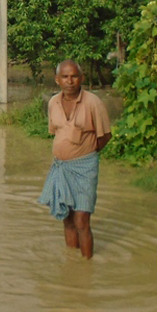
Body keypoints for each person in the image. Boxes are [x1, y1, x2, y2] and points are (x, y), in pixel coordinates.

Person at [39, 60, 111, 259]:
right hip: (61, 167)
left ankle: (87, 266)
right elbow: (56, 132)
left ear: (82, 78)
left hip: (85, 167)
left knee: (82, 221)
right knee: (67, 219)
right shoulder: (53, 102)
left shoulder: (92, 102)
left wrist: (86, 154)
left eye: (74, 76)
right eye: (65, 77)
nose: (70, 81)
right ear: (57, 80)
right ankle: (73, 265)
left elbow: (105, 136)